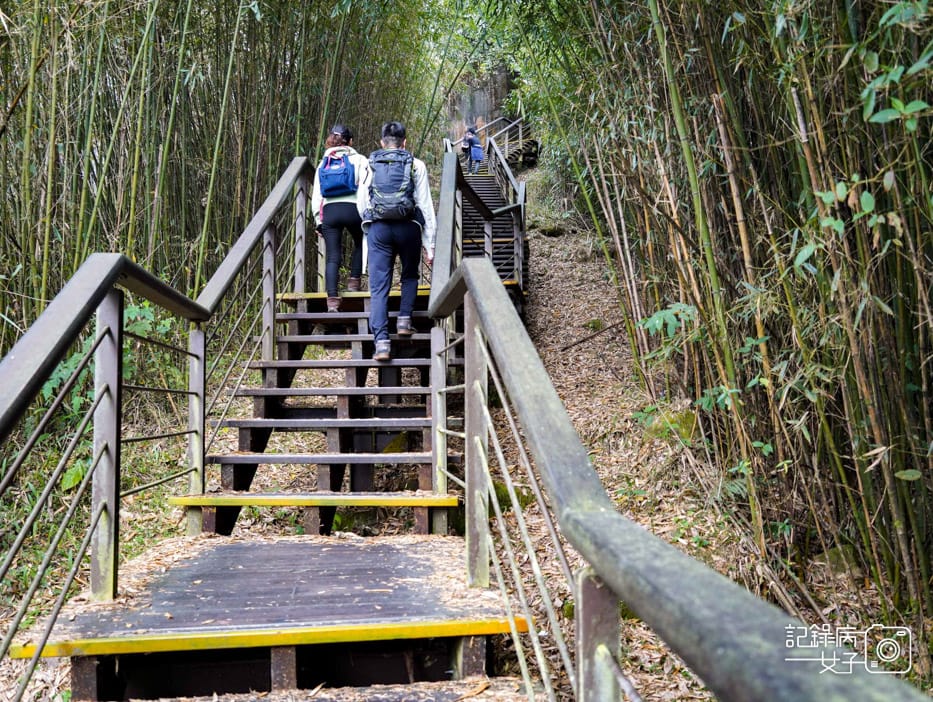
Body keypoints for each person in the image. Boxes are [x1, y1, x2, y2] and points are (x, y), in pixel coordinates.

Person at [358, 121, 436, 361]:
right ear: (405, 142)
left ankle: (381, 343)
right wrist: (429, 243)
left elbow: (362, 204)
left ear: (382, 142)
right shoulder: (416, 165)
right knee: (410, 275)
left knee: (379, 286)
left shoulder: (369, 165)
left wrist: (370, 225)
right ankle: (404, 321)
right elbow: (425, 204)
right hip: (409, 227)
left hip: (379, 229)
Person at [311, 124, 370, 312]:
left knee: (333, 256)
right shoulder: (360, 159)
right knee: (361, 242)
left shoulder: (324, 162)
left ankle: (332, 300)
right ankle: (354, 283)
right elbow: (366, 188)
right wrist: (366, 214)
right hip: (353, 209)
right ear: (350, 141)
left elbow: (317, 195)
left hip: (330, 212)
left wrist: (318, 221)